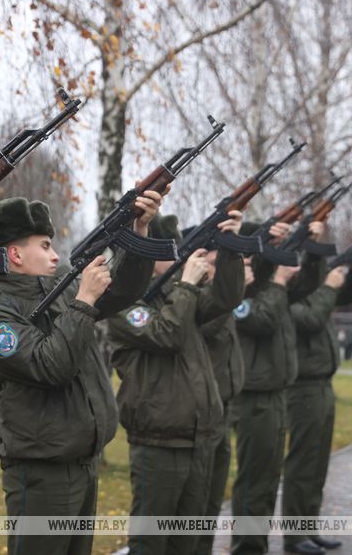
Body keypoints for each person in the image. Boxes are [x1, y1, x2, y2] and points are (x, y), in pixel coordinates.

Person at [0, 192, 162, 555]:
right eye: (44, 245)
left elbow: (123, 290)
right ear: (15, 254)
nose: (55, 255)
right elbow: (51, 365)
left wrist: (139, 229)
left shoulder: (61, 293)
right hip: (42, 473)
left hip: (82, 461)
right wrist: (84, 302)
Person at [105, 212, 243, 555]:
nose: (179, 258)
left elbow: (226, 299)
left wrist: (230, 249)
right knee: (151, 542)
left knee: (188, 541)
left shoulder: (182, 295)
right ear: (146, 255)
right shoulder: (123, 304)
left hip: (197, 436)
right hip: (158, 441)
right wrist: (185, 285)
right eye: (170, 251)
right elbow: (166, 334)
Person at [230, 221, 326, 555]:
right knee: (254, 482)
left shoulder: (271, 288)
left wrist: (311, 249)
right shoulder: (239, 292)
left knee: (268, 480)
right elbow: (260, 320)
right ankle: (247, 547)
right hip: (253, 398)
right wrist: (278, 284)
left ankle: (256, 544)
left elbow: (310, 283)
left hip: (276, 393)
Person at [281, 252, 352, 554]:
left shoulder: (314, 293)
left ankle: (309, 528)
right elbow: (311, 318)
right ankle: (294, 537)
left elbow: (342, 297)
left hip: (322, 386)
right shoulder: (288, 297)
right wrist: (328, 288)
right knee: (302, 464)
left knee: (317, 463)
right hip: (302, 388)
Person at [194, 251, 255, 555]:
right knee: (198, 501)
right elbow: (205, 329)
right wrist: (231, 292)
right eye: (217, 263)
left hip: (224, 405)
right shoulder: (199, 298)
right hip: (203, 408)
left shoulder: (218, 297)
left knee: (213, 497)